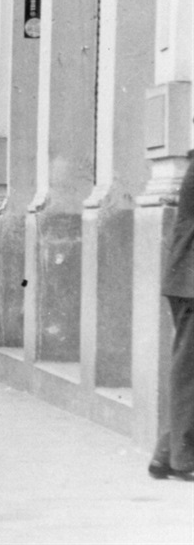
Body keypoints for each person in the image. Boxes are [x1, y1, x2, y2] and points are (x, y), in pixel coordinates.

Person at [150, 155, 194, 481]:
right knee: (189, 372)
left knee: (187, 368)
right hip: (190, 282)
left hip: (185, 278)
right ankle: (183, 461)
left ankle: (167, 453)